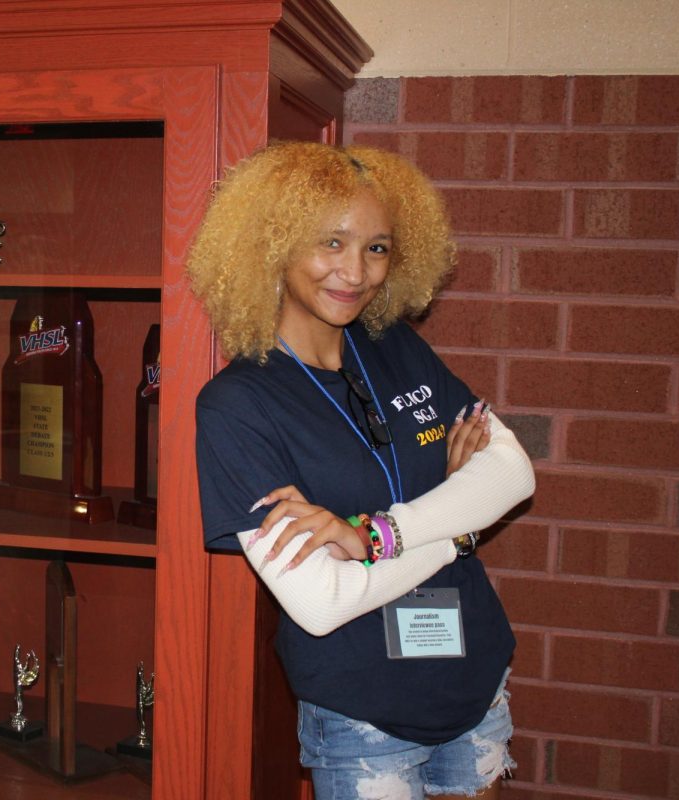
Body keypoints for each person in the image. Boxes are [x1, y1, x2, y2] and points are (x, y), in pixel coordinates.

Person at [188, 142, 536, 800]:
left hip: (474, 683)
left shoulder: (394, 346)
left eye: (376, 247)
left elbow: (513, 473)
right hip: (361, 715)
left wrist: (374, 537)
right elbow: (323, 603)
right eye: (331, 243)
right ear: (273, 244)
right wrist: (459, 529)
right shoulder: (238, 406)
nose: (355, 272)